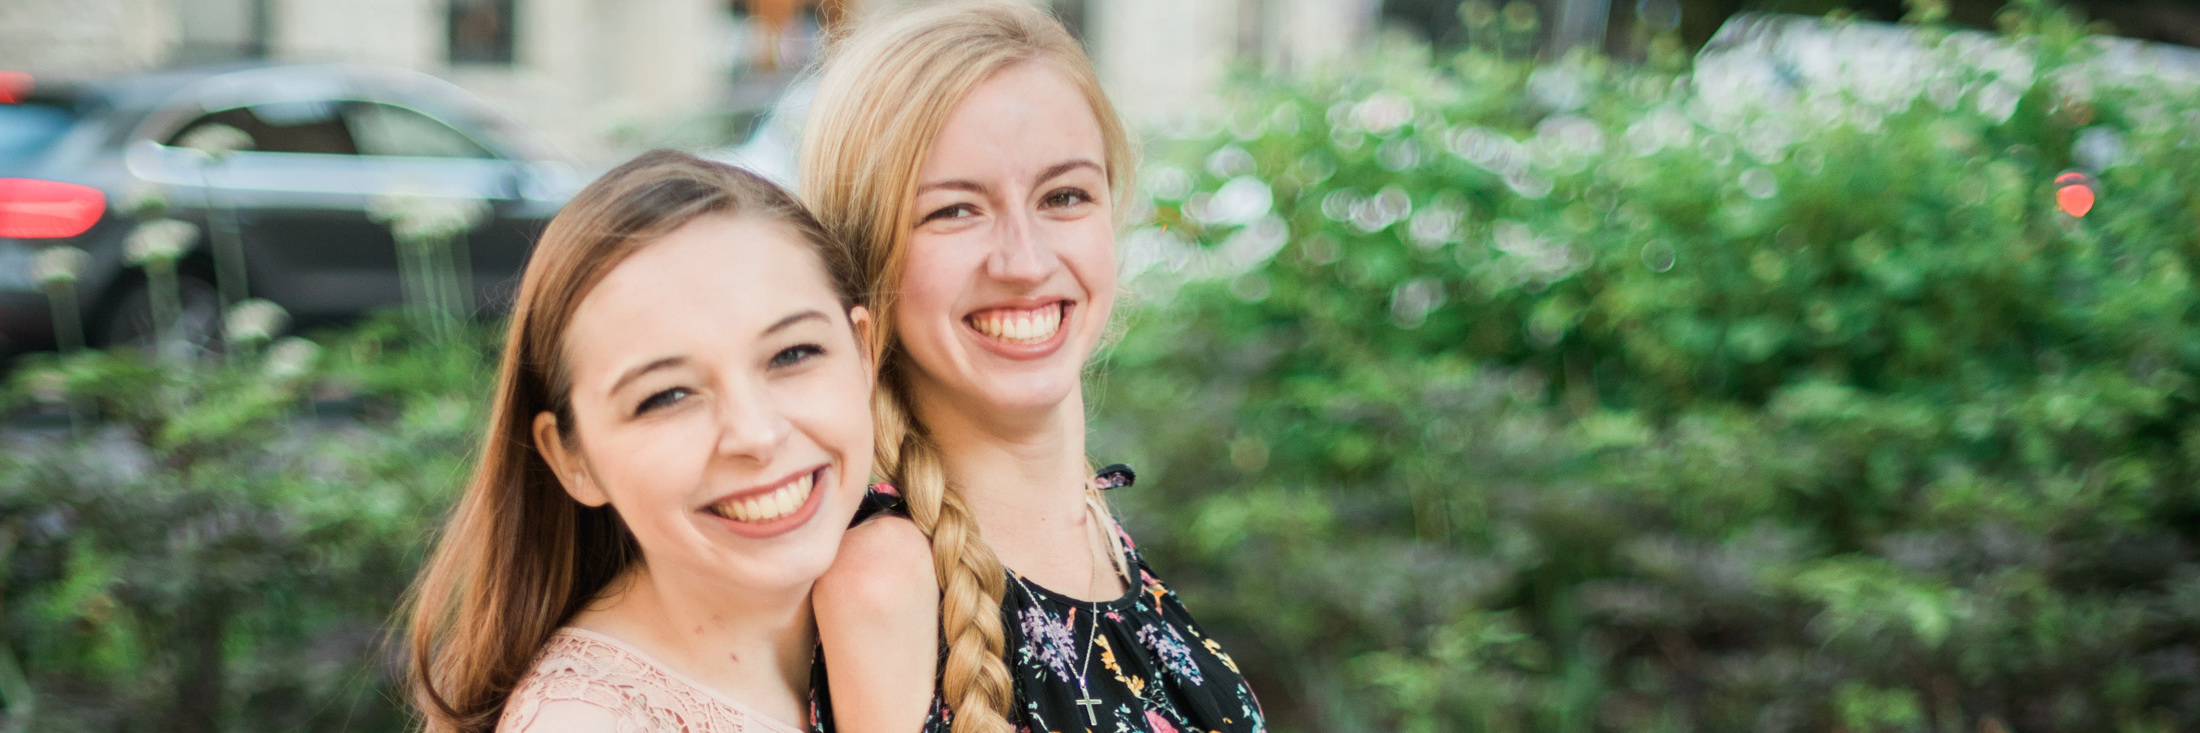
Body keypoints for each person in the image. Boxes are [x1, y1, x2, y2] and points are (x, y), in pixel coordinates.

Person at [800, 3, 1265, 732]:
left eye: (1064, 196)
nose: (1024, 260)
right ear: (867, 261)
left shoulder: (1094, 526)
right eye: (954, 211)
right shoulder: (885, 579)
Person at [402, 150, 876, 733]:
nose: (756, 434)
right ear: (571, 459)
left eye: (792, 354)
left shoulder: (944, 577)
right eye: (667, 396)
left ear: (864, 354)